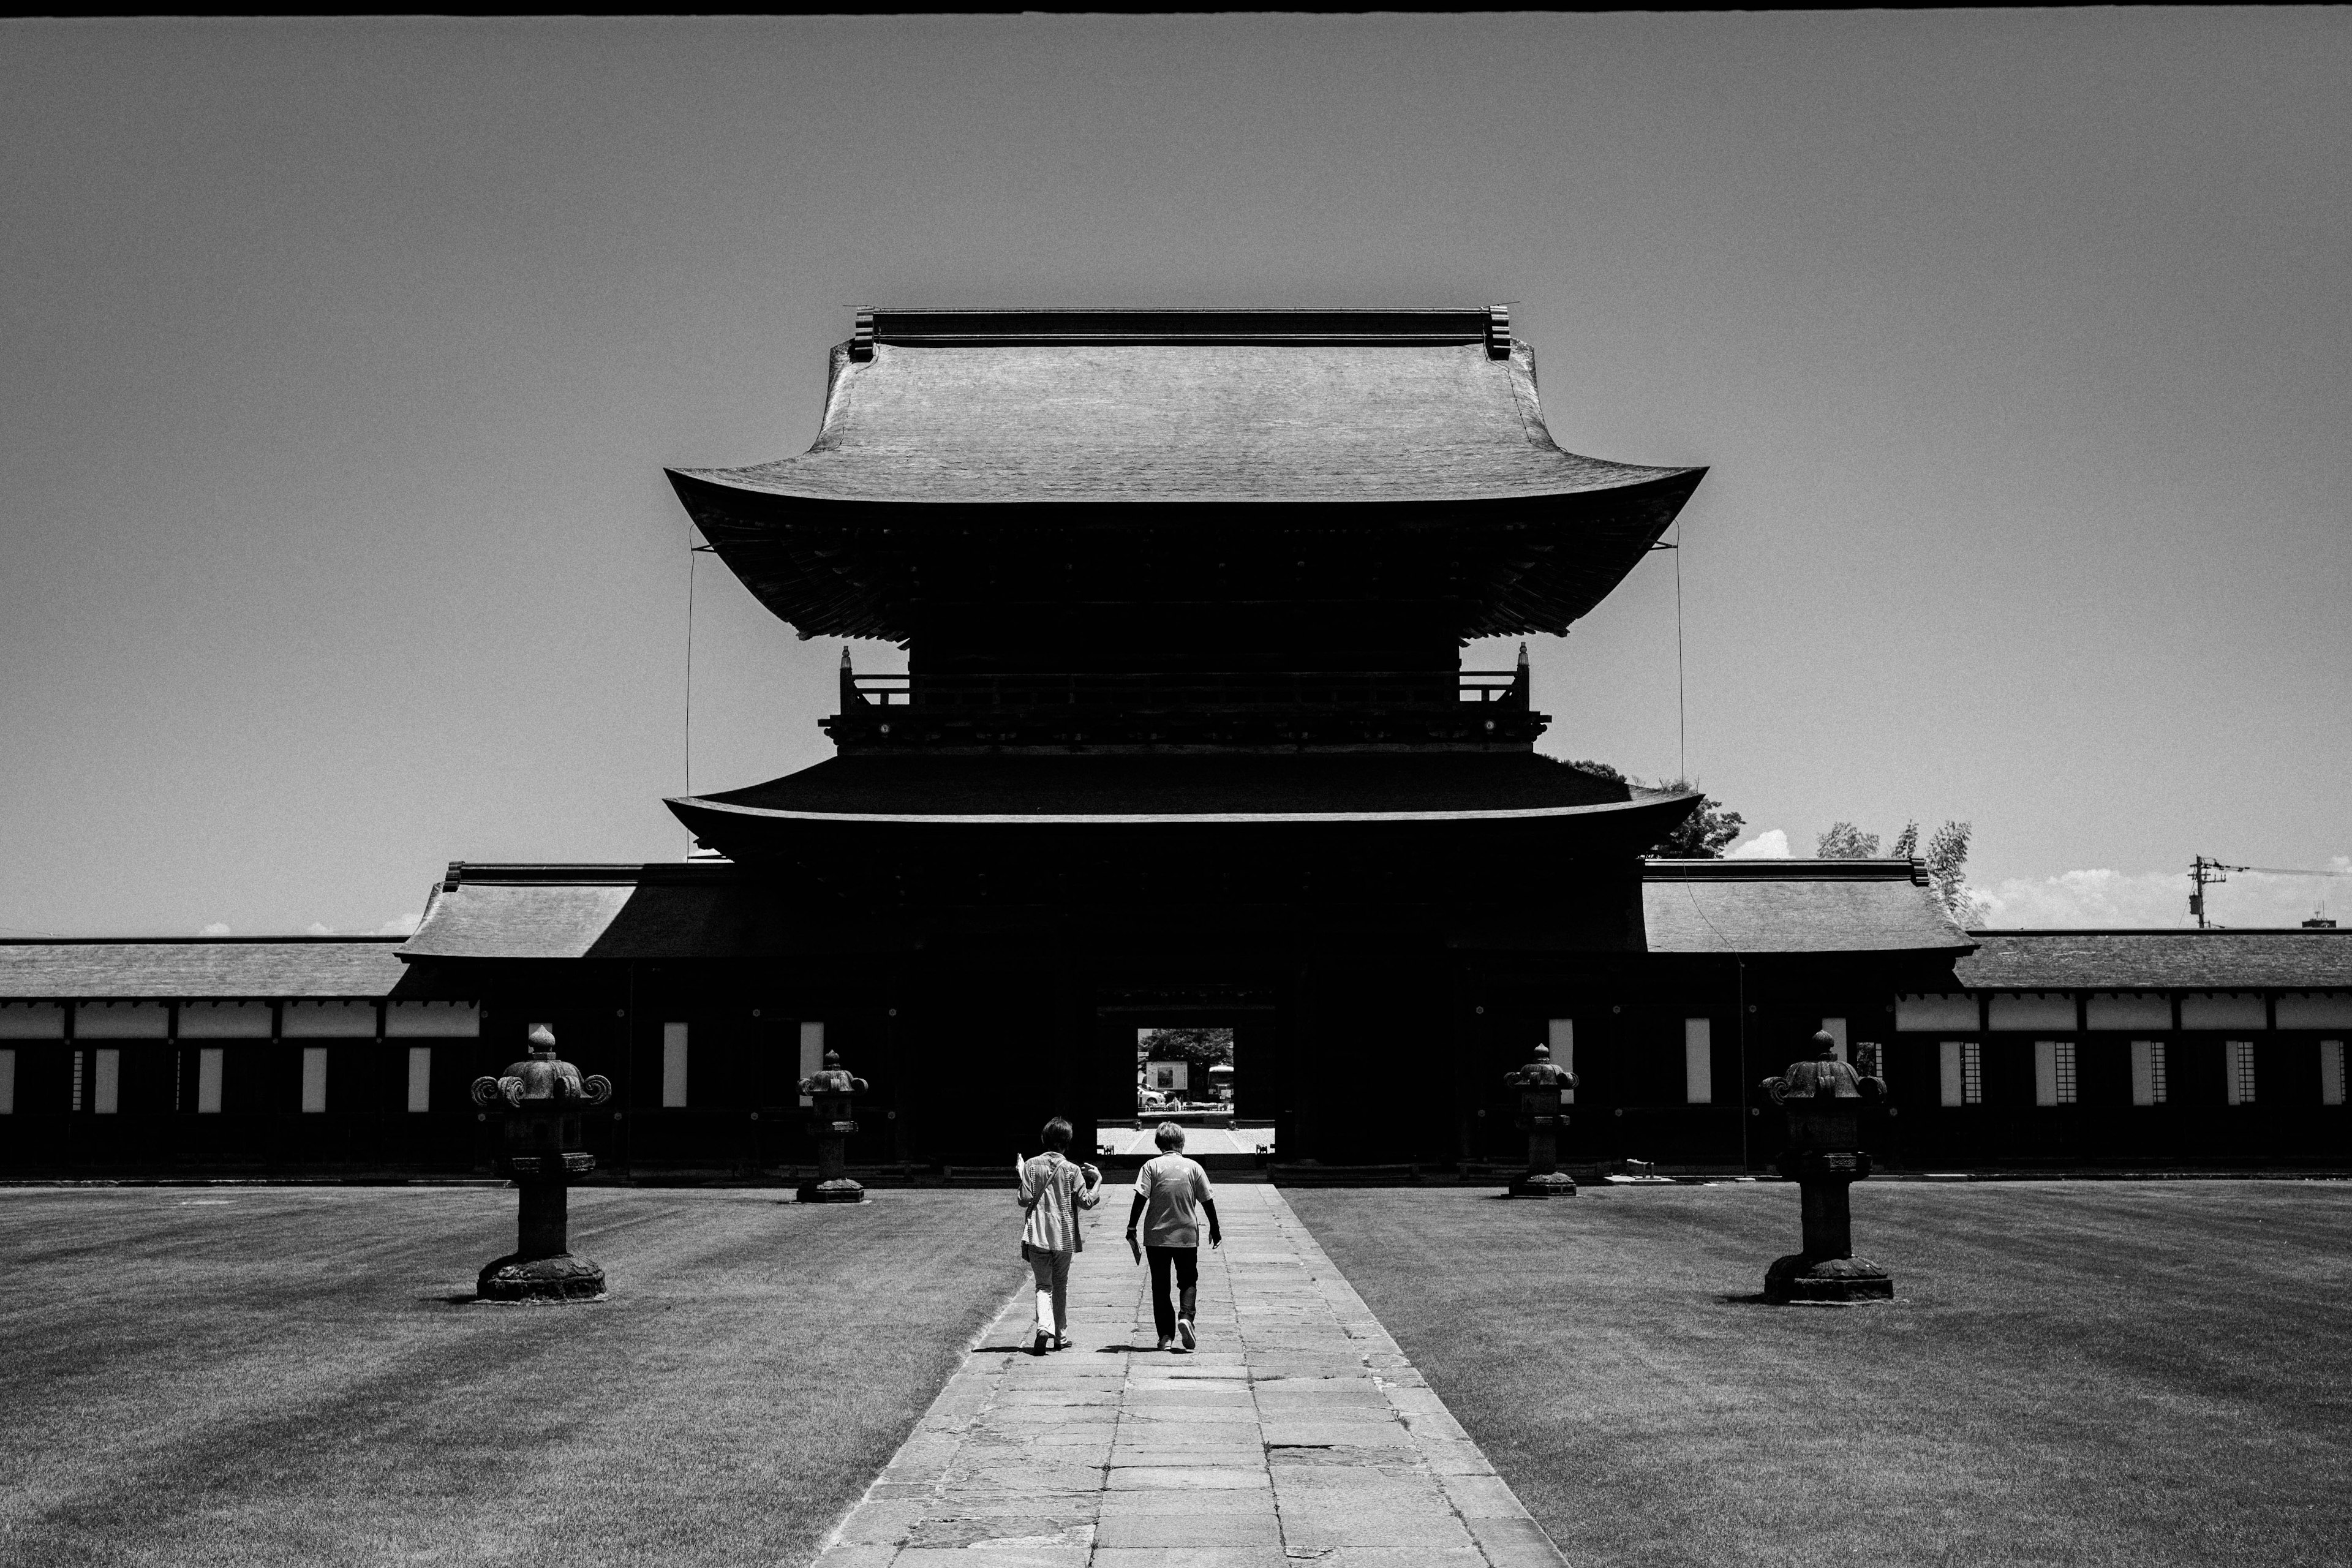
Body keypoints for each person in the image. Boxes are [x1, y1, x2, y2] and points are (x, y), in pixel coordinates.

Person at [1126, 1120, 1221, 1353]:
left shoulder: (1151, 1166)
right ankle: (1187, 1317)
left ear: (1159, 1143)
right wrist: (1215, 1228)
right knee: (1188, 1280)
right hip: (1187, 1234)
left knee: (1160, 1286)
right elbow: (1207, 1200)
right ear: (1182, 1143)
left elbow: (1141, 1198)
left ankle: (1166, 1337)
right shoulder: (1193, 1167)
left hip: (1156, 1236)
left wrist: (1131, 1226)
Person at [1016, 1117, 1102, 1356]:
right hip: (1063, 1235)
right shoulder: (1072, 1170)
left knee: (1043, 1286)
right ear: (1068, 1142)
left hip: (1037, 1233)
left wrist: (1021, 1175)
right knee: (1061, 1285)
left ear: (1045, 1139)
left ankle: (1044, 1327)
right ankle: (1061, 1336)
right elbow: (1085, 1203)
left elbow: (1023, 1199)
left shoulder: (1031, 1166)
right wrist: (1098, 1182)